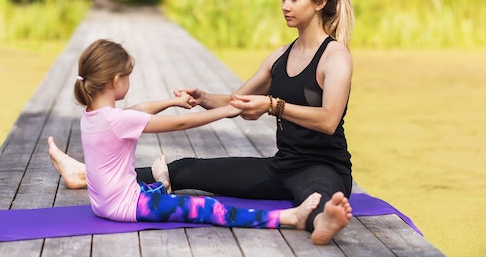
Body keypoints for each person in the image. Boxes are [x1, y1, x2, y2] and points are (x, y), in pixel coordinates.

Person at [49, 0, 354, 244]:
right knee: (185, 169)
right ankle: (83, 174)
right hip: (282, 165)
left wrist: (272, 106)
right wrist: (204, 98)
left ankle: (322, 221)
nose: (285, 6)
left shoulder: (335, 56)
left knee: (318, 195)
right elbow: (238, 101)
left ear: (319, 2)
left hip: (324, 166)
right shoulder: (280, 56)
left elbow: (328, 120)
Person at [48, 38, 322, 230]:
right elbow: (181, 125)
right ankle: (287, 218)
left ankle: (162, 186)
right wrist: (224, 111)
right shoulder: (119, 120)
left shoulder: (94, 115)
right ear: (115, 81)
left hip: (104, 204)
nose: (129, 81)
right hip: (128, 207)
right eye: (128, 76)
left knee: (155, 190)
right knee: (208, 208)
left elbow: (139, 108)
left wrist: (172, 102)